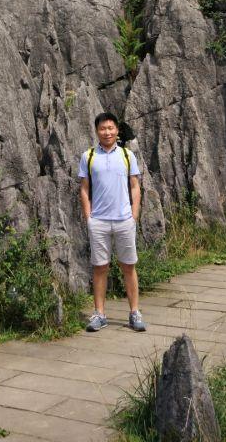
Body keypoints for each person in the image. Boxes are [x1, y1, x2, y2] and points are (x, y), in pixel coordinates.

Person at [78, 111, 146, 332]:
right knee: (100, 268)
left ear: (117, 130)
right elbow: (84, 189)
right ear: (97, 131)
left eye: (110, 128)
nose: (107, 132)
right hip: (99, 221)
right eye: (102, 128)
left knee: (128, 266)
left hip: (124, 220)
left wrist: (133, 215)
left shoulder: (127, 156)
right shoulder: (88, 156)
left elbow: (135, 187)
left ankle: (135, 312)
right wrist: (89, 218)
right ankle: (99, 314)